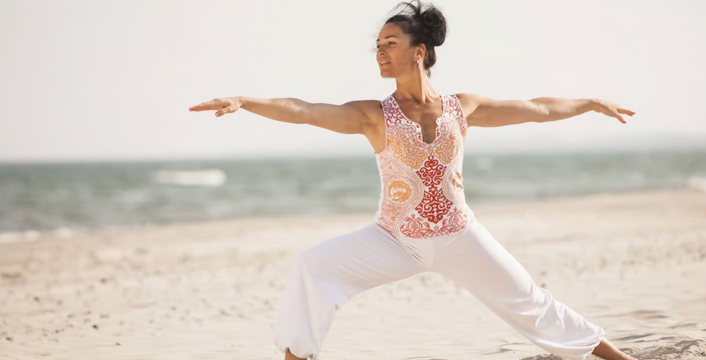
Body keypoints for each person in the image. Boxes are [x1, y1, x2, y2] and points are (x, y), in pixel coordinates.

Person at [189, 2, 636, 359]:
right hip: (394, 239)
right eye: (377, 45)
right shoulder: (373, 115)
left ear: (419, 52)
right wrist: (245, 101)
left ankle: (618, 358)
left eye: (391, 43)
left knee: (530, 302)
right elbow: (305, 111)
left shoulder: (463, 108)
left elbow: (536, 109)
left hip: (460, 235)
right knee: (313, 266)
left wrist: (589, 103)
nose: (380, 52)